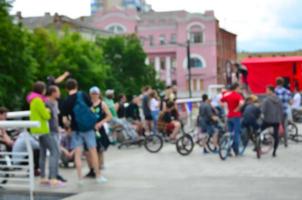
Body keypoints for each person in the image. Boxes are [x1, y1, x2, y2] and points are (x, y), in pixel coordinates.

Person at [62, 79, 106, 185]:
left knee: (77, 154)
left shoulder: (66, 101)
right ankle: (98, 176)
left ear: (66, 88)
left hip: (76, 129)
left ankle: (80, 178)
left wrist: (68, 126)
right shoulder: (82, 95)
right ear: (76, 86)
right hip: (88, 128)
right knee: (93, 151)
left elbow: (64, 120)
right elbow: (91, 108)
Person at [27, 81, 62, 186]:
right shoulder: (38, 100)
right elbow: (46, 116)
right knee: (55, 152)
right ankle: (53, 178)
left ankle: (43, 177)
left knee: (42, 154)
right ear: (42, 90)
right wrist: (47, 110)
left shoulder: (33, 100)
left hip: (38, 130)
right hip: (43, 129)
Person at [86, 86, 112, 178]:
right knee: (89, 150)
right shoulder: (87, 104)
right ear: (90, 94)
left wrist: (101, 123)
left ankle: (99, 168)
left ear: (99, 94)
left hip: (99, 129)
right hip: (89, 129)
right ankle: (92, 169)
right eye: (93, 93)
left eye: (96, 93)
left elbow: (109, 116)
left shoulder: (102, 104)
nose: (94, 95)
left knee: (99, 149)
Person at [46, 85, 67, 183]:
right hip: (49, 131)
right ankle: (52, 176)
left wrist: (59, 128)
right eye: (58, 91)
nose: (59, 93)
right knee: (54, 153)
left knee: (57, 153)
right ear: (53, 92)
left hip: (55, 130)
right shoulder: (46, 103)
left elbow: (56, 118)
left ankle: (55, 173)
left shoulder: (56, 103)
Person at [221, 82, 244, 155]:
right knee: (236, 134)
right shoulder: (238, 96)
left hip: (229, 116)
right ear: (236, 88)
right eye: (239, 88)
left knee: (230, 133)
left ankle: (228, 150)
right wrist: (238, 108)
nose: (239, 89)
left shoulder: (228, 95)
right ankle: (236, 151)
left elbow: (221, 100)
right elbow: (241, 103)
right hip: (236, 116)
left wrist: (223, 106)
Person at [262, 86, 283, 157]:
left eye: (267, 90)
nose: (266, 91)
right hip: (277, 120)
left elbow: (263, 111)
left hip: (267, 120)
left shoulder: (266, 100)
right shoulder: (279, 99)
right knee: (276, 135)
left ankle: (260, 143)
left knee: (260, 130)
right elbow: (281, 109)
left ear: (271, 91)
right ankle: (274, 151)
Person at [275, 77, 292, 147]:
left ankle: (277, 142)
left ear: (276, 83)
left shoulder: (275, 91)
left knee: (277, 126)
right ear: (283, 83)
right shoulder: (287, 91)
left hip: (276, 111)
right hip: (284, 111)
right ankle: (286, 142)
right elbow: (290, 102)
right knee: (285, 127)